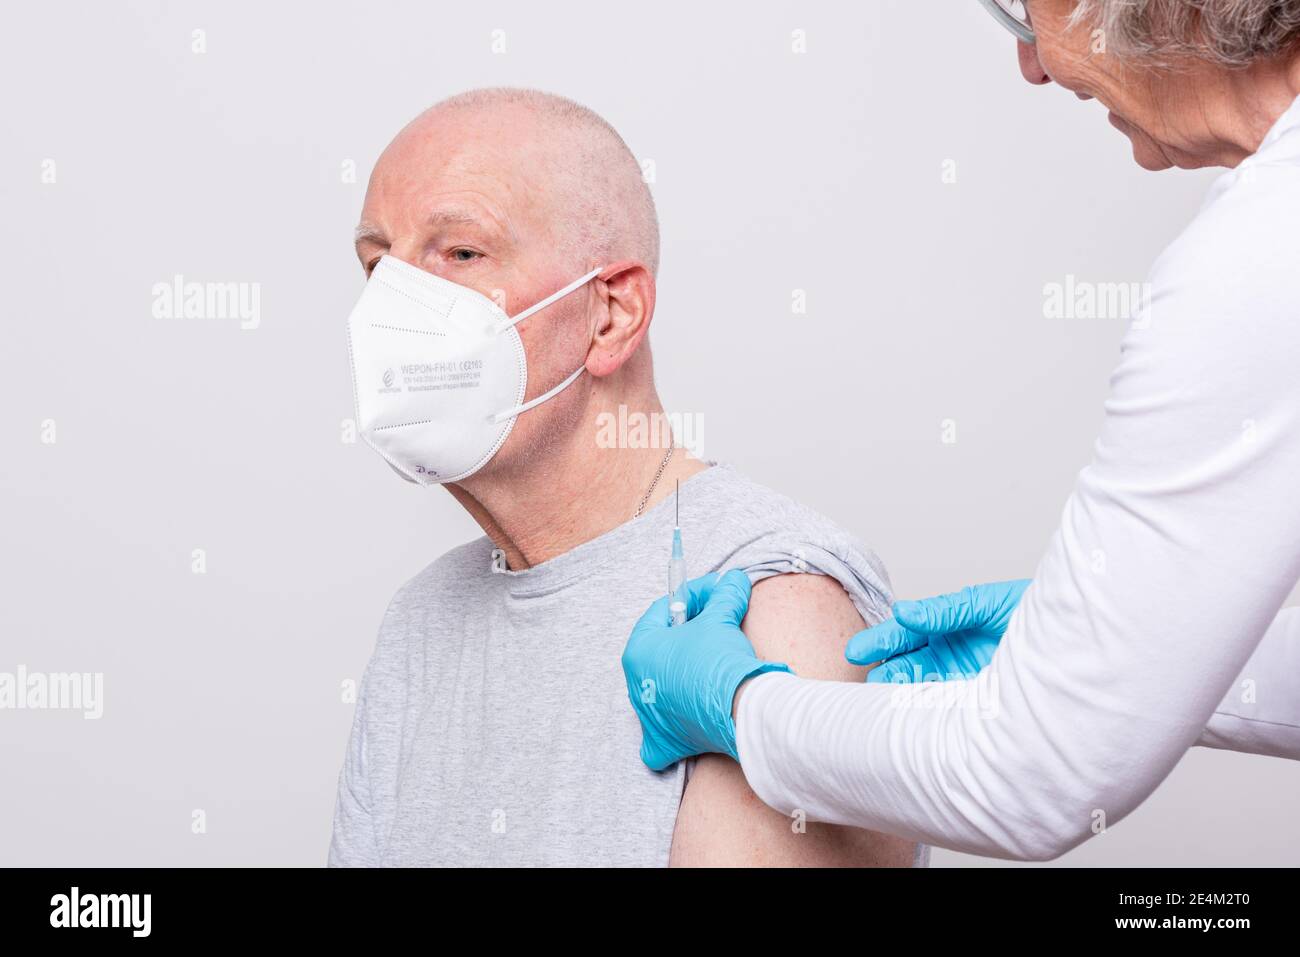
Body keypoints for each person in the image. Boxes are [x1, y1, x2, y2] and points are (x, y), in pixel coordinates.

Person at [622, 0, 1300, 861]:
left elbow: (1029, 778)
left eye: (1027, 8)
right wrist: (1121, 659)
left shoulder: (1258, 260)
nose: (1034, 66)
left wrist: (742, 709)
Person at [329, 88, 919, 866]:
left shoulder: (763, 601)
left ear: (610, 315)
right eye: (379, 265)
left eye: (460, 253)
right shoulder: (420, 627)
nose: (396, 305)